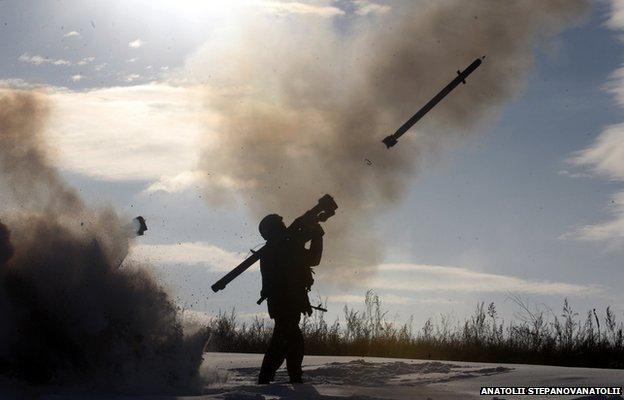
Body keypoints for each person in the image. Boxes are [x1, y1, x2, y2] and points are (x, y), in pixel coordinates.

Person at [257, 213, 324, 384]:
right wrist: (317, 235)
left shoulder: (281, 247)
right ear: (273, 230)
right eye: (281, 225)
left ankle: (268, 377)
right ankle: (293, 377)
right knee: (292, 340)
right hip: (285, 302)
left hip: (286, 302)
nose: (284, 227)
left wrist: (312, 232)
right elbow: (313, 259)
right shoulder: (282, 248)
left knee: (283, 340)